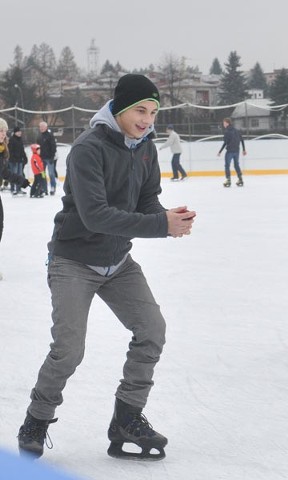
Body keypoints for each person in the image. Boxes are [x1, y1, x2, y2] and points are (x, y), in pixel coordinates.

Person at [17, 73, 196, 461]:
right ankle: (37, 417)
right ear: (118, 108)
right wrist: (159, 226)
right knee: (68, 349)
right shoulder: (88, 148)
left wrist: (167, 217)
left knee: (152, 330)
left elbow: (147, 201)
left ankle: (127, 419)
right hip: (73, 261)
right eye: (139, 110)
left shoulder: (146, 149)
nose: (147, 119)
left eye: (152, 112)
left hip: (118, 262)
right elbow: (96, 216)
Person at [0, 118, 30, 281]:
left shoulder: (3, 149)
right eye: (0, 131)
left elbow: (3, 172)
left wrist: (21, 180)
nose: (3, 134)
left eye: (4, 131)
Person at [217, 117, 246, 187]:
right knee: (236, 165)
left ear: (227, 123)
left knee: (227, 165)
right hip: (237, 151)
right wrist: (244, 149)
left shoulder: (227, 131)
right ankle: (240, 179)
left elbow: (225, 143)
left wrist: (220, 151)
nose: (223, 124)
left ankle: (228, 180)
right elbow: (242, 140)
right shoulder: (237, 130)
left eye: (224, 123)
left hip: (230, 151)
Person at [37, 121, 58, 195]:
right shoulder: (39, 137)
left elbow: (53, 146)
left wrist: (52, 157)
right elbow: (37, 148)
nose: (41, 128)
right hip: (41, 159)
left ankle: (53, 187)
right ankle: (44, 188)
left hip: (49, 158)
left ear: (46, 127)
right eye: (40, 127)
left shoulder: (50, 136)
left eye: (43, 127)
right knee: (43, 174)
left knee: (51, 173)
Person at [8, 126, 29, 195]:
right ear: (15, 132)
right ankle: (13, 189)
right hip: (13, 161)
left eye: (20, 131)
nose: (20, 133)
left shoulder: (20, 140)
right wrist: (12, 158)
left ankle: (18, 188)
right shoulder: (11, 140)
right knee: (14, 175)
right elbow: (10, 151)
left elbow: (22, 150)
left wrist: (25, 157)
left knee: (20, 175)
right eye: (18, 132)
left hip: (20, 160)